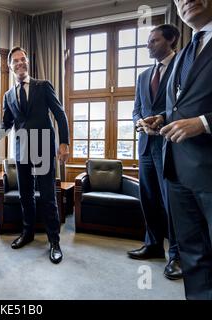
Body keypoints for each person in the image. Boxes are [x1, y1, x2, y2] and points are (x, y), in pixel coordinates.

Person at [140, 0, 212, 299]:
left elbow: (199, 114)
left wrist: (205, 123)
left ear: (169, 38)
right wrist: (163, 119)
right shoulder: (185, 55)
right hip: (177, 169)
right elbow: (180, 106)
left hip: (207, 169)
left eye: (154, 39)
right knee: (195, 258)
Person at [0, 47, 70, 264]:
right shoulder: (9, 95)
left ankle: (54, 241)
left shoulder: (43, 86)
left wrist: (63, 142)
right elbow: (6, 124)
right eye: (15, 61)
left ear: (28, 62)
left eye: (23, 59)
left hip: (45, 148)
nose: (20, 63)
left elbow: (59, 113)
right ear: (10, 67)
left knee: (47, 197)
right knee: (25, 195)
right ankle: (27, 234)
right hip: (22, 151)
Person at [128, 24, 182, 281]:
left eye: (154, 40)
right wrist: (140, 122)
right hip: (146, 147)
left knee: (171, 202)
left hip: (172, 145)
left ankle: (177, 255)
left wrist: (162, 118)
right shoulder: (142, 76)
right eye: (148, 41)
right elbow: (136, 109)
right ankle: (152, 246)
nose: (148, 45)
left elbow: (186, 105)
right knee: (148, 198)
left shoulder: (182, 66)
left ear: (171, 40)